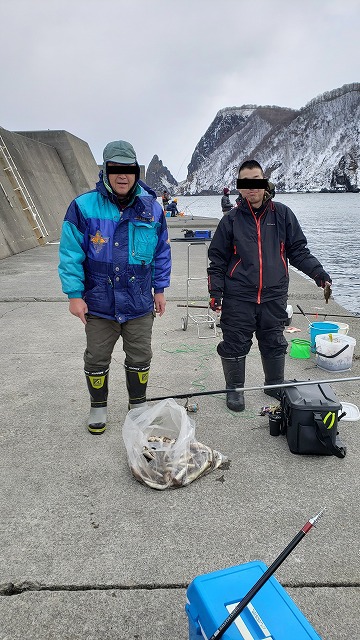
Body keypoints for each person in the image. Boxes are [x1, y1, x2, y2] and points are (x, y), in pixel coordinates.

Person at [58, 140, 171, 434]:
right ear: (105, 171)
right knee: (96, 357)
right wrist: (74, 295)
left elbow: (161, 251)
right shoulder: (82, 207)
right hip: (99, 302)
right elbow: (70, 254)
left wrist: (159, 289)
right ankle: (98, 405)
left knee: (140, 355)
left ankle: (138, 404)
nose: (123, 176)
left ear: (136, 172)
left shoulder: (152, 209)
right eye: (116, 169)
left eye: (129, 169)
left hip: (138, 302)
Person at [207, 159, 332, 412]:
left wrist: (319, 274)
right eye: (246, 183)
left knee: (274, 340)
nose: (252, 188)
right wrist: (215, 293)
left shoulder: (283, 214)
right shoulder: (230, 221)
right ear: (239, 188)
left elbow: (298, 251)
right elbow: (217, 261)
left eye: (256, 181)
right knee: (234, 341)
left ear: (265, 183)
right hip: (239, 295)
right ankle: (235, 390)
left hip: (274, 294)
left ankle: (274, 384)